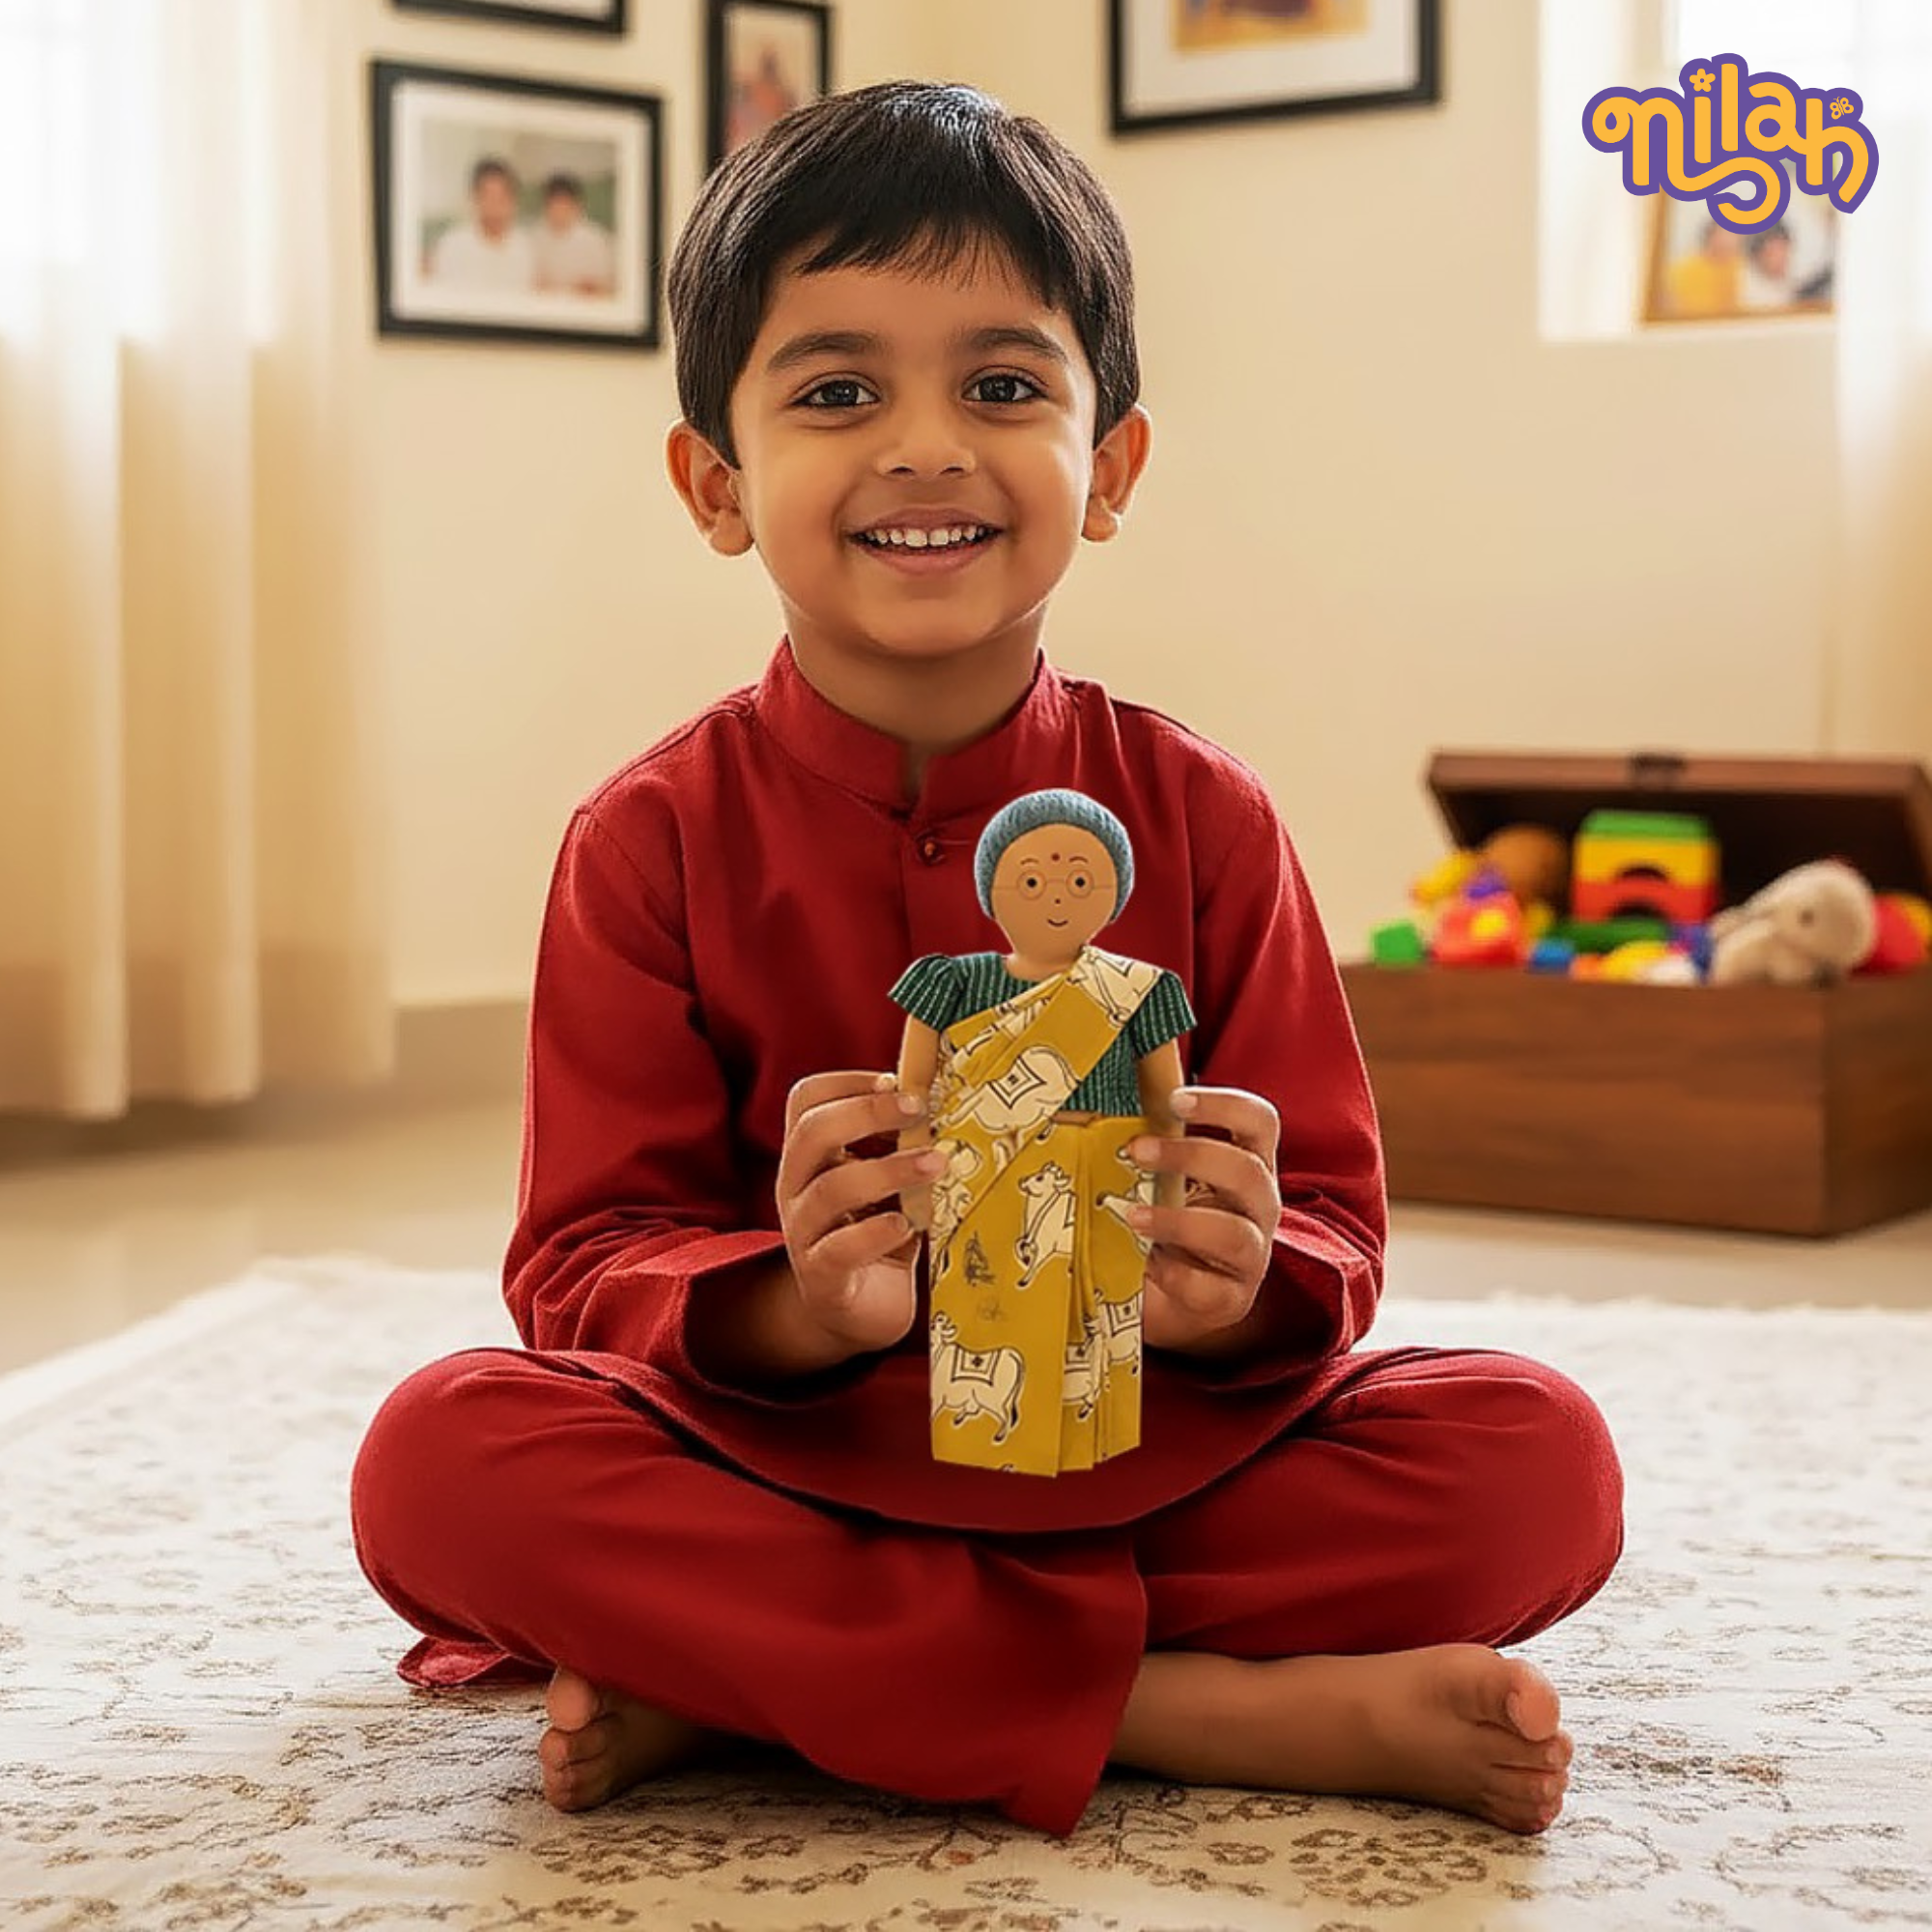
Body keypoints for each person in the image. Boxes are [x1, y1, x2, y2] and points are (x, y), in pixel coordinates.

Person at [350, 79, 1624, 1842]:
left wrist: (1239, 1279)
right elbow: (583, 1265)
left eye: (1005, 387)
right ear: (717, 485)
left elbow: (1327, 1216)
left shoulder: (1210, 820)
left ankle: (754, 1689)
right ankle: (1188, 1713)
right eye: (838, 391)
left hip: (1142, 1453)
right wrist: (801, 1301)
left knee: (1533, 1459)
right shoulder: (645, 839)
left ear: (1109, 470)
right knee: (444, 1465)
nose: (927, 444)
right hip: (782, 1456)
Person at [427, 156, 534, 294]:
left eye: (502, 198)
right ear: (475, 199)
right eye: (489, 197)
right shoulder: (452, 245)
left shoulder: (524, 249)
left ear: (514, 202)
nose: (495, 207)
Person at [531, 172, 617, 298]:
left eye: (564, 203)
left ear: (577, 205)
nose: (558, 210)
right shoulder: (536, 237)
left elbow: (605, 288)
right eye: (554, 204)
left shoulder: (595, 239)